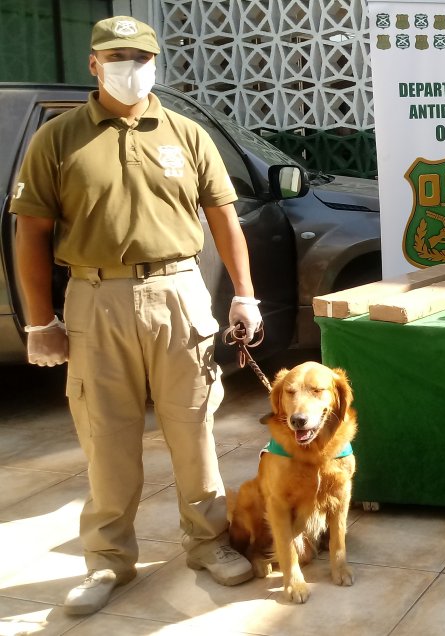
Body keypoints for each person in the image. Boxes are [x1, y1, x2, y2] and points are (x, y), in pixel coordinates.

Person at [11, 16, 259, 615]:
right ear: (93, 65)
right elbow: (31, 232)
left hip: (179, 292)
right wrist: (40, 322)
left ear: (156, 63)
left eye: (141, 57)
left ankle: (208, 542)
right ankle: (106, 562)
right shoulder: (59, 139)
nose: (131, 68)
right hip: (96, 300)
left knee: (194, 426)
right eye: (116, 57)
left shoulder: (186, 134)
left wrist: (244, 294)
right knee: (106, 435)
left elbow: (224, 219)